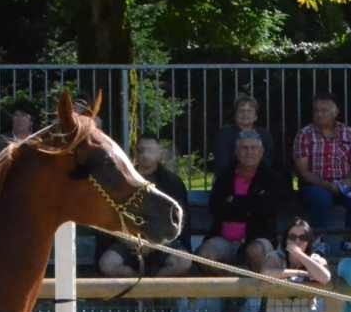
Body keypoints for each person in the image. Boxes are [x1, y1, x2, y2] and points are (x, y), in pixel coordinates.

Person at [96, 136, 192, 277]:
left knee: (183, 262)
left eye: (150, 151)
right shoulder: (123, 180)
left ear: (160, 154)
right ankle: (138, 293)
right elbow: (113, 215)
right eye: (141, 150)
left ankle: (153, 292)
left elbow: (179, 219)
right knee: (107, 264)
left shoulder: (172, 182)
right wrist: (128, 240)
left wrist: (155, 243)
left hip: (164, 242)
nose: (145, 155)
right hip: (128, 242)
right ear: (135, 154)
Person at [292, 92, 351, 247]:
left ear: (336, 111)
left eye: (324, 110)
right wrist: (327, 186)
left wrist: (347, 182)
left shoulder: (348, 133)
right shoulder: (304, 134)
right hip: (315, 186)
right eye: (316, 111)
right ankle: (318, 241)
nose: (319, 114)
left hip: (344, 184)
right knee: (320, 198)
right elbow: (303, 172)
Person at [200, 131, 281, 273]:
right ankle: (230, 293)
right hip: (223, 238)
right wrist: (251, 204)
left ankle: (260, 294)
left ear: (261, 151)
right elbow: (216, 208)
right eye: (244, 148)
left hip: (258, 237)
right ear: (236, 151)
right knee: (206, 255)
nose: (249, 152)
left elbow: (268, 210)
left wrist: (233, 202)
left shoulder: (272, 178)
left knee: (256, 252)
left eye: (253, 148)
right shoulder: (224, 176)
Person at [213, 94, 277, 177]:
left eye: (249, 111)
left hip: (259, 178)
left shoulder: (264, 135)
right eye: (241, 111)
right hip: (229, 179)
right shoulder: (224, 134)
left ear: (255, 117)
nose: (245, 114)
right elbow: (222, 163)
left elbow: (268, 161)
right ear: (235, 115)